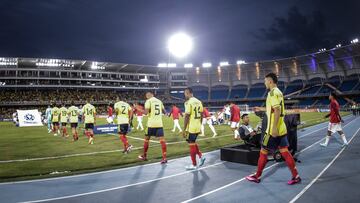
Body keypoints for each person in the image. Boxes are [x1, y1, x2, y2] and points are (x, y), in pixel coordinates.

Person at [246, 72, 301, 185]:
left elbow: (276, 110)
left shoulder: (271, 93)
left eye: (265, 81)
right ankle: (296, 176)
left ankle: (257, 176)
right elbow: (273, 109)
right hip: (282, 128)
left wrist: (274, 128)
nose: (265, 83)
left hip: (272, 130)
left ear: (270, 81)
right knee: (285, 152)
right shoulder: (279, 92)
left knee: (263, 152)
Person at [138, 92, 168, 164]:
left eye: (147, 96)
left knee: (146, 140)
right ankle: (164, 158)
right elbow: (165, 112)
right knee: (162, 141)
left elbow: (146, 113)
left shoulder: (148, 101)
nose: (146, 97)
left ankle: (144, 156)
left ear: (149, 95)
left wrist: (138, 109)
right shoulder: (159, 101)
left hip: (151, 124)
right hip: (159, 124)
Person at [183, 87, 206, 170]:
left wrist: (184, 129)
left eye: (185, 93)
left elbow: (186, 116)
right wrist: (199, 125)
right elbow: (202, 115)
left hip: (192, 127)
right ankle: (200, 156)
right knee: (192, 142)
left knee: (191, 145)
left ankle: (194, 164)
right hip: (197, 125)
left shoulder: (189, 102)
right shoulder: (199, 102)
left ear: (188, 93)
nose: (185, 95)